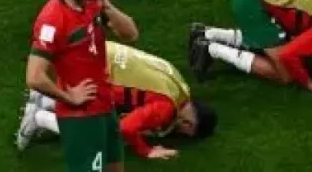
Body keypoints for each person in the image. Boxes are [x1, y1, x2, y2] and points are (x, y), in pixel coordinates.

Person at [26, 0, 140, 172]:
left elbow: (131, 34)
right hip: (81, 117)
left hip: (105, 104)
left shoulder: (93, 2)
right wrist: (69, 96)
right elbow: (34, 76)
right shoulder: (52, 20)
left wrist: (107, 7)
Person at [17, 42, 217, 159]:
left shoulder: (181, 86)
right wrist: (146, 150)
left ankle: (44, 101)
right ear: (189, 124)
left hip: (91, 49)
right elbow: (125, 129)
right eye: (186, 133)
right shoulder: (166, 108)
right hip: (86, 69)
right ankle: (39, 117)